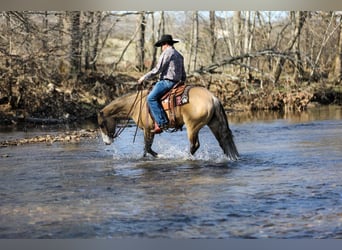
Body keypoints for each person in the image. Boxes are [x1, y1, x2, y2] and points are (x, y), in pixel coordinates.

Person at [138, 34, 186, 134]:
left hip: (167, 82)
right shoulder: (179, 55)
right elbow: (183, 73)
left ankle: (162, 122)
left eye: (161, 46)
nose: (161, 48)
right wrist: (182, 83)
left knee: (150, 98)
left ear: (165, 44)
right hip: (178, 83)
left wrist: (144, 77)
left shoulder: (167, 53)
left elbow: (157, 69)